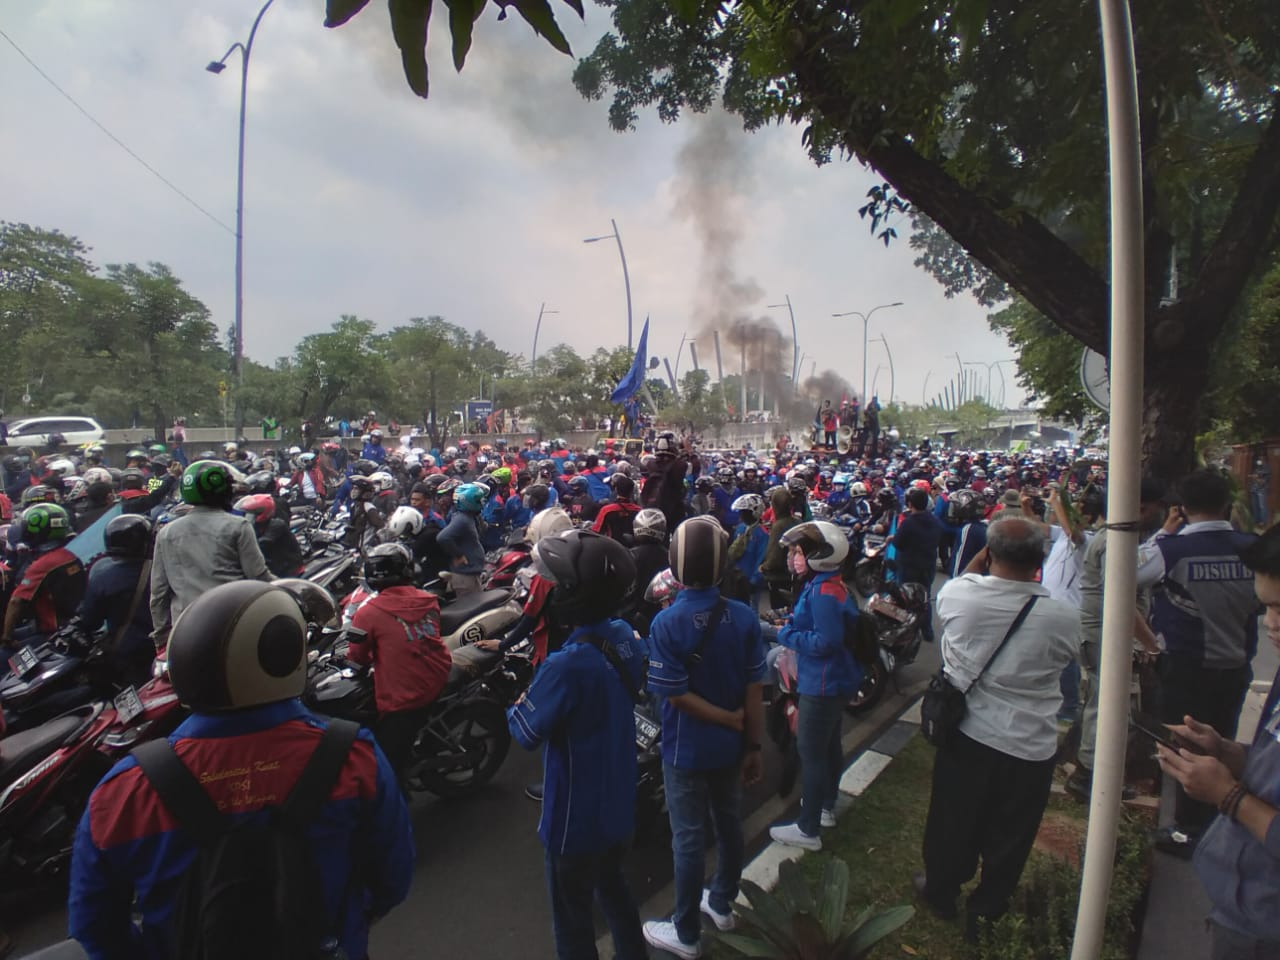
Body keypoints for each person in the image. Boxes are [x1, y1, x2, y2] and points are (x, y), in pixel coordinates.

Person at [68, 580, 414, 960]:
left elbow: (94, 924)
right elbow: (391, 877)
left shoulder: (124, 791)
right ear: (284, 656)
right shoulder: (353, 756)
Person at [915, 517, 1080, 941]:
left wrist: (979, 561)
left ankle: (941, 891)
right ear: (1041, 561)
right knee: (1011, 837)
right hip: (1031, 747)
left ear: (989, 554)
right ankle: (986, 914)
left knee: (952, 823)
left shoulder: (959, 596)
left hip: (969, 735)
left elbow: (961, 584)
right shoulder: (1063, 617)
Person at [507, 530, 649, 960]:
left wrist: (518, 703)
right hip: (620, 803)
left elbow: (524, 732)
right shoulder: (624, 635)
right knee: (615, 892)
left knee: (572, 923)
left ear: (574, 594)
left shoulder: (566, 665)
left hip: (573, 819)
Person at [642, 517, 766, 959]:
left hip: (686, 749)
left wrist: (728, 721)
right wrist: (752, 743)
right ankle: (722, 903)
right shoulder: (745, 617)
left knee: (689, 838)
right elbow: (755, 688)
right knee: (730, 822)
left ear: (674, 566)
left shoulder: (667, 622)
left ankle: (687, 933)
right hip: (731, 750)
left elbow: (674, 696)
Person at [1157, 522, 1280, 958]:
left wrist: (1227, 796)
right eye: (1264, 608)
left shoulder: (1172, 550)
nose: (1271, 625)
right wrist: (1230, 754)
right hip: (1243, 908)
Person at [1137, 469, 1261, 856]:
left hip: (1185, 665)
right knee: (1223, 741)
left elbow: (1129, 575)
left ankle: (1189, 830)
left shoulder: (1170, 550)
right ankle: (1221, 816)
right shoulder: (1252, 547)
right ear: (1226, 503)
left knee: (1186, 746)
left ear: (1182, 508)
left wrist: (1163, 534)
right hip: (1237, 663)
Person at [1066, 476, 1167, 801]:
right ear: (1139, 507)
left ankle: (1085, 765)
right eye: (1154, 508)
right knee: (1107, 705)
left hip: (1102, 633)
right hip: (1104, 634)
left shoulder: (1114, 537)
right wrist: (1151, 642)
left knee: (1100, 701)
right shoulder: (1114, 542)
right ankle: (1090, 772)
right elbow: (1120, 598)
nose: (1156, 515)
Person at [769, 521, 861, 851]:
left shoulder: (824, 591)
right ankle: (825, 807)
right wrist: (791, 624)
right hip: (833, 679)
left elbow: (825, 641)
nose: (793, 557)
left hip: (821, 682)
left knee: (812, 753)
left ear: (820, 554)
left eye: (797, 552)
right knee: (829, 746)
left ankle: (808, 829)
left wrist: (785, 635)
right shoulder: (824, 585)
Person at [347, 543, 452, 783]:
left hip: (405, 695)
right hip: (439, 672)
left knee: (388, 768)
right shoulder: (428, 599)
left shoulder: (368, 612)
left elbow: (358, 657)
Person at [150, 460, 273, 651]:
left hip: (185, 631)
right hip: (234, 625)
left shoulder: (166, 532)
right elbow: (258, 577)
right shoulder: (238, 526)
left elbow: (158, 593)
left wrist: (161, 639)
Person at [76, 514, 156, 688]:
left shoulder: (102, 579)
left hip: (126, 652)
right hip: (164, 647)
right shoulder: (163, 570)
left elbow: (90, 621)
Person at [1, 502, 86, 648]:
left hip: (52, 631)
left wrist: (6, 639)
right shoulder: (70, 555)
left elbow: (16, 602)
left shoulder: (43, 565)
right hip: (71, 623)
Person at [888, 487, 945, 642]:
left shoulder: (908, 522)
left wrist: (893, 538)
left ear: (910, 504)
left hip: (909, 566)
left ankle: (903, 630)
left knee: (904, 597)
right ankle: (927, 631)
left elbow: (898, 544)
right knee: (924, 597)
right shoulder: (936, 521)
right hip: (928, 565)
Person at [437, 482, 486, 596]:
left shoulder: (467, 517)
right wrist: (458, 555)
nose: (481, 503)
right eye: (478, 501)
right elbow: (443, 537)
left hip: (470, 574)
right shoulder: (462, 519)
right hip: (465, 577)